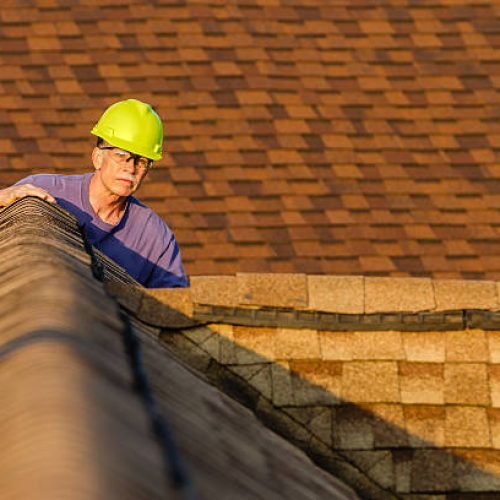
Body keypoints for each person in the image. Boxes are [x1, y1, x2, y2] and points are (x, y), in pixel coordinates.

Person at [0, 98, 188, 288]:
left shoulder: (155, 238)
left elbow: (176, 303)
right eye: (121, 156)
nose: (130, 168)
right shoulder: (42, 191)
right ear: (97, 158)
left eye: (141, 161)